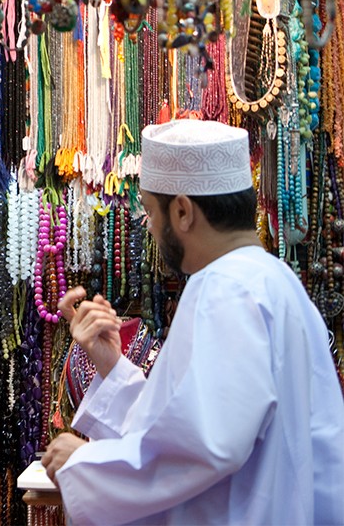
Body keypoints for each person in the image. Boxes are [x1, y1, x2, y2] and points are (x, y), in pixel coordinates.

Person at [41, 119, 344, 524]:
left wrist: (86, 463)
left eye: (150, 211)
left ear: (182, 211)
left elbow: (208, 447)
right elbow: (197, 422)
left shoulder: (224, 289)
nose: (149, 226)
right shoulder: (275, 282)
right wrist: (111, 365)